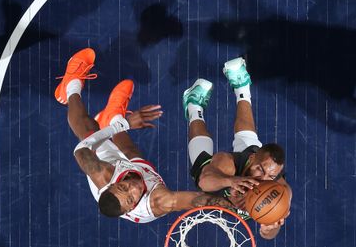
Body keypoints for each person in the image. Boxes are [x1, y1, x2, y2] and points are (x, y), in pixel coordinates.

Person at [55, 48, 235, 223]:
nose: (132, 188)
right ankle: (111, 120)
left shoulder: (103, 174)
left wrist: (123, 124)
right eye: (130, 198)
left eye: (123, 187)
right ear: (132, 206)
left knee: (88, 130)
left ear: (111, 185)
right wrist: (235, 209)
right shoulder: (158, 201)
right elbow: (197, 200)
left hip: (113, 168)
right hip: (148, 188)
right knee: (130, 151)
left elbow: (80, 150)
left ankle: (71, 86)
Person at [182, 57, 288, 240]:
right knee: (201, 166)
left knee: (248, 139)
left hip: (227, 194)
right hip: (224, 176)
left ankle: (233, 90)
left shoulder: (273, 182)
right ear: (252, 158)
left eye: (270, 176)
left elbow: (271, 233)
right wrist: (230, 181)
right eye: (261, 169)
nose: (262, 179)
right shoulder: (229, 163)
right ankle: (194, 106)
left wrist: (269, 228)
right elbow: (204, 182)